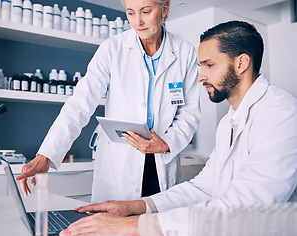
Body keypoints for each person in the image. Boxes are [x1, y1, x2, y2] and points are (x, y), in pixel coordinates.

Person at [58, 20, 297, 236]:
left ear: (241, 63)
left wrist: (128, 226)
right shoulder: (230, 120)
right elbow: (203, 187)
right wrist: (132, 207)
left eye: (209, 65)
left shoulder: (279, 113)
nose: (200, 77)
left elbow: (244, 209)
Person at [16, 0, 201, 203]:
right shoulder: (112, 49)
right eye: (130, 13)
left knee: (156, 228)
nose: (138, 21)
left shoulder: (185, 53)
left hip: (162, 164)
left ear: (164, 9)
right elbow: (80, 103)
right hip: (120, 165)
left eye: (146, 11)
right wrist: (46, 155)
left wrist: (167, 144)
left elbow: (189, 112)